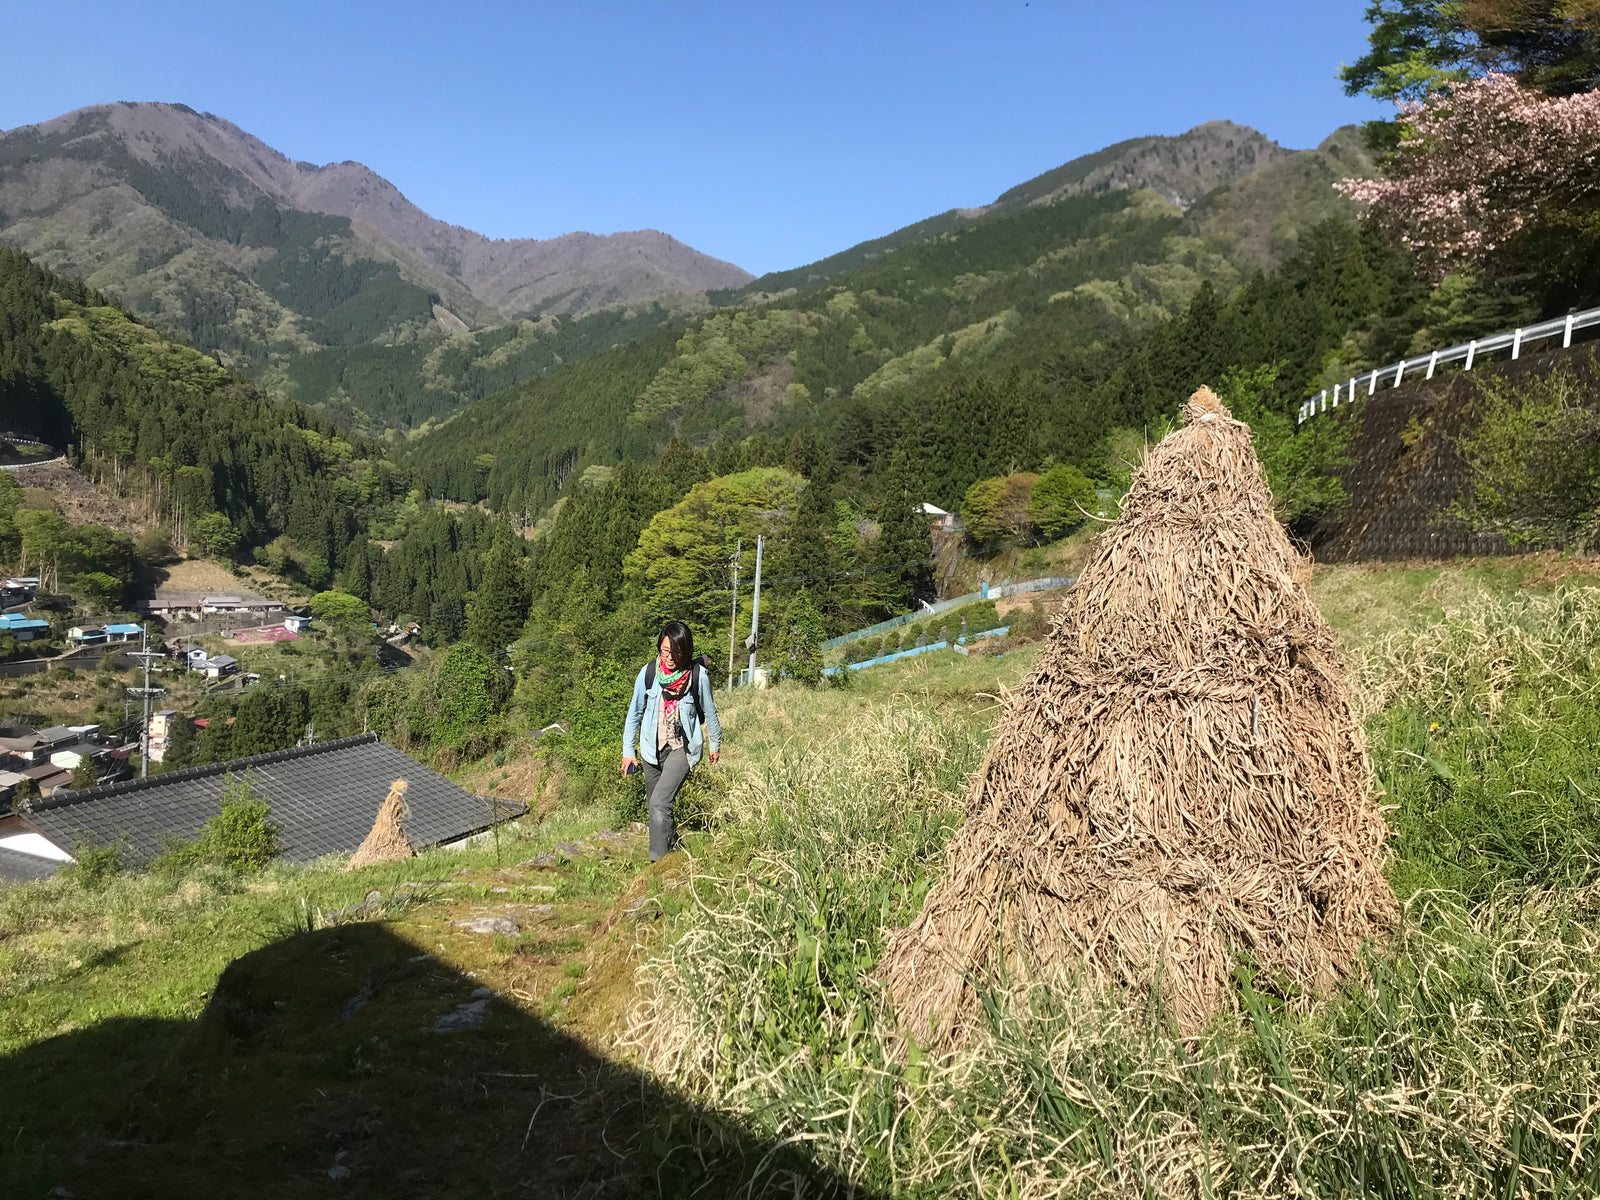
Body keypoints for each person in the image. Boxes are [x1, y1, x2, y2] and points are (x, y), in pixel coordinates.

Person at [622, 621, 721, 862]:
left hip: (681, 748)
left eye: (675, 652)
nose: (669, 657)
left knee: (659, 802)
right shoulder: (648, 673)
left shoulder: (698, 676)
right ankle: (673, 847)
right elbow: (634, 712)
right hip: (650, 750)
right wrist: (628, 750)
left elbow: (710, 712)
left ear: (685, 650)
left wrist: (715, 745)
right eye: (664, 651)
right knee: (656, 806)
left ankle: (659, 864)